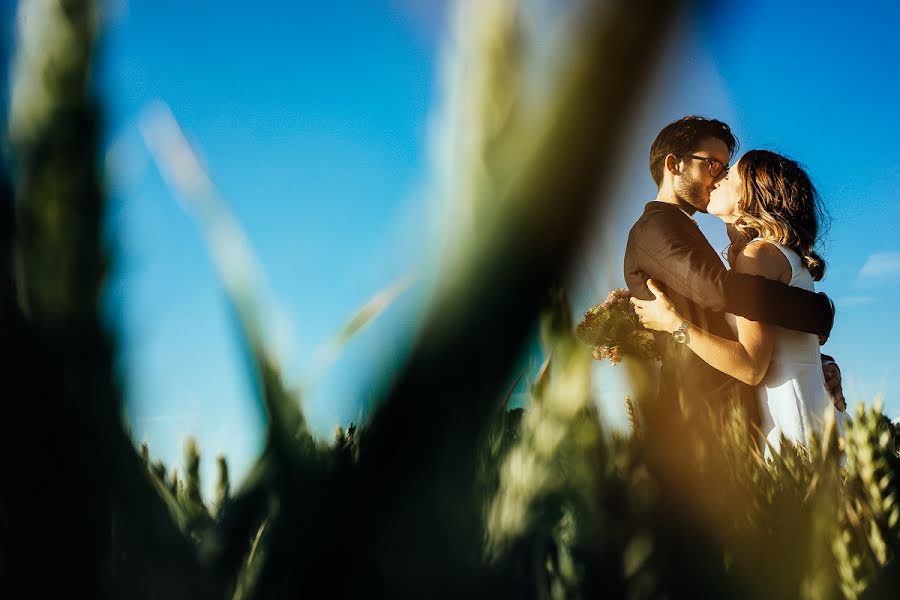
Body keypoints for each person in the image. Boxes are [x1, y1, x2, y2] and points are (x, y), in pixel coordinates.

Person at [621, 116, 843, 438]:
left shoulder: (689, 230)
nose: (718, 177)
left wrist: (814, 357)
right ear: (674, 165)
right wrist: (817, 311)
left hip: (735, 413)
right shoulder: (654, 228)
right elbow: (720, 292)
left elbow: (735, 321)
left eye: (725, 170)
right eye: (712, 165)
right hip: (702, 420)